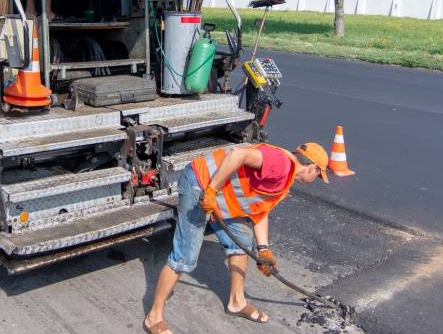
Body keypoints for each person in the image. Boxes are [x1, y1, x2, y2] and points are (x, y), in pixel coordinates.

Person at [142, 142, 337, 334]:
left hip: (219, 194)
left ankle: (237, 302)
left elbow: (260, 211)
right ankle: (154, 317)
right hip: (200, 184)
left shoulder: (286, 179)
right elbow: (237, 153)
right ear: (313, 169)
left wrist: (264, 250)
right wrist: (210, 191)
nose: (316, 179)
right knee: (185, 255)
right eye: (319, 175)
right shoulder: (281, 163)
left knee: (243, 240)